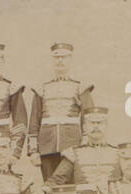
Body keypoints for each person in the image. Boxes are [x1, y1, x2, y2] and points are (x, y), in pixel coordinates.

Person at [47, 106, 119, 194]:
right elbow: (56, 180)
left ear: (106, 126)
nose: (96, 126)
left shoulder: (118, 154)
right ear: (85, 127)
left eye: (100, 123)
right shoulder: (74, 154)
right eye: (91, 123)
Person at [33, 42, 94, 180]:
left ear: (70, 59)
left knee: (71, 188)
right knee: (49, 188)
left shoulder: (80, 86)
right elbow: (34, 120)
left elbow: (89, 117)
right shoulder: (42, 87)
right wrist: (33, 151)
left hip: (72, 144)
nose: (60, 60)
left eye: (64, 57)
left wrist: (85, 143)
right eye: (56, 57)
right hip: (46, 146)